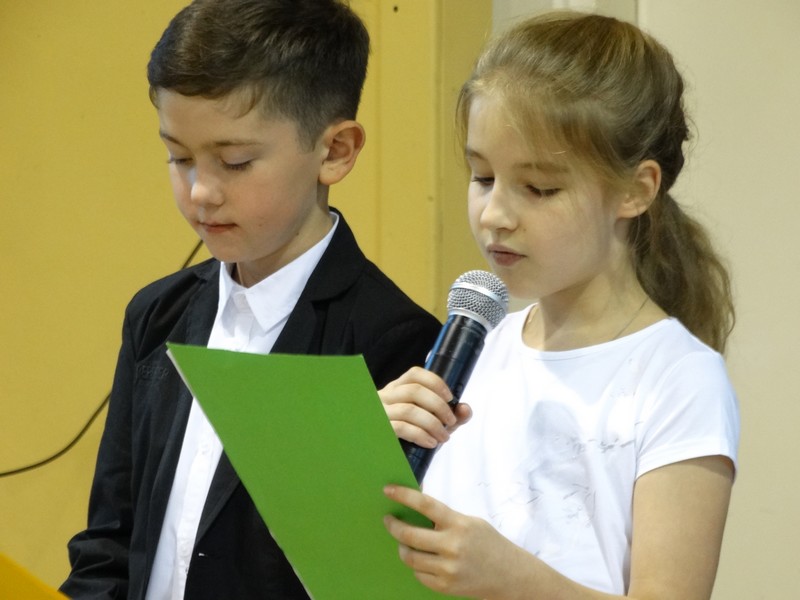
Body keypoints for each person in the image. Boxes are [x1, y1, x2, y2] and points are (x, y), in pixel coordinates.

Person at [60, 1, 443, 598]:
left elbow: (379, 575)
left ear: (335, 151)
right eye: (179, 157)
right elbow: (110, 543)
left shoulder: (396, 340)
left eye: (235, 162)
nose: (201, 192)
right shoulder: (156, 316)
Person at [380, 11, 739, 600]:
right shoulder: (480, 349)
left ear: (635, 190)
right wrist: (370, 453)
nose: (495, 215)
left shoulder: (679, 378)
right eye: (481, 177)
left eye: (539, 188)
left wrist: (513, 580)